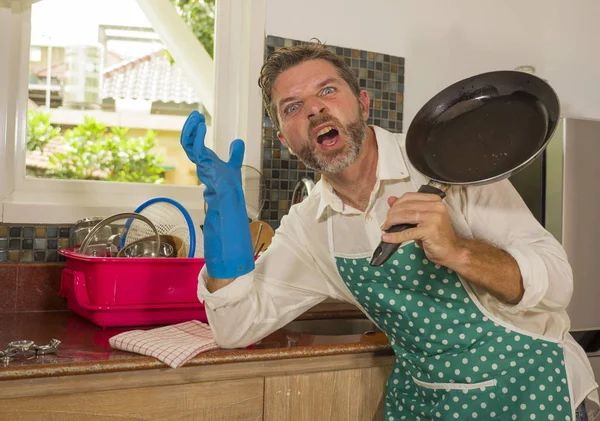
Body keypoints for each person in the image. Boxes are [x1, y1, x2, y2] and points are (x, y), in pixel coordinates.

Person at [181, 41, 598, 421]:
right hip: (428, 405)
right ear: (285, 140)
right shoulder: (311, 227)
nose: (313, 110)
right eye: (292, 107)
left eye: (327, 91)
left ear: (362, 104)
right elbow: (235, 327)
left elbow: (559, 285)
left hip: (530, 393)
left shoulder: (449, 162)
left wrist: (457, 251)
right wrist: (225, 214)